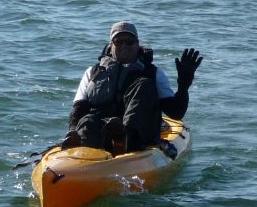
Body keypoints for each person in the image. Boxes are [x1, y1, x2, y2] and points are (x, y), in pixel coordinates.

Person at [62, 21, 202, 155]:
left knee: (144, 84)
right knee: (88, 120)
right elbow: (77, 110)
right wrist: (74, 131)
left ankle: (125, 138)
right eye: (119, 42)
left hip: (137, 137)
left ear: (137, 45)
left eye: (129, 42)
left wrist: (184, 84)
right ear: (111, 45)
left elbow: (176, 113)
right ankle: (79, 153)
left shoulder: (153, 73)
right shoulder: (92, 72)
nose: (124, 46)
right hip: (103, 131)